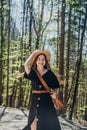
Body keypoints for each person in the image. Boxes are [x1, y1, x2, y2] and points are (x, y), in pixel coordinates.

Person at [17, 50, 61, 130]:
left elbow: (56, 87)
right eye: (39, 59)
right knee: (33, 124)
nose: (41, 61)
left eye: (43, 59)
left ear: (45, 61)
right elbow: (26, 65)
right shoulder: (32, 73)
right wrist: (33, 54)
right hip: (34, 102)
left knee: (47, 124)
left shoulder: (50, 74)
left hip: (47, 103)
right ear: (35, 60)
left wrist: (55, 95)